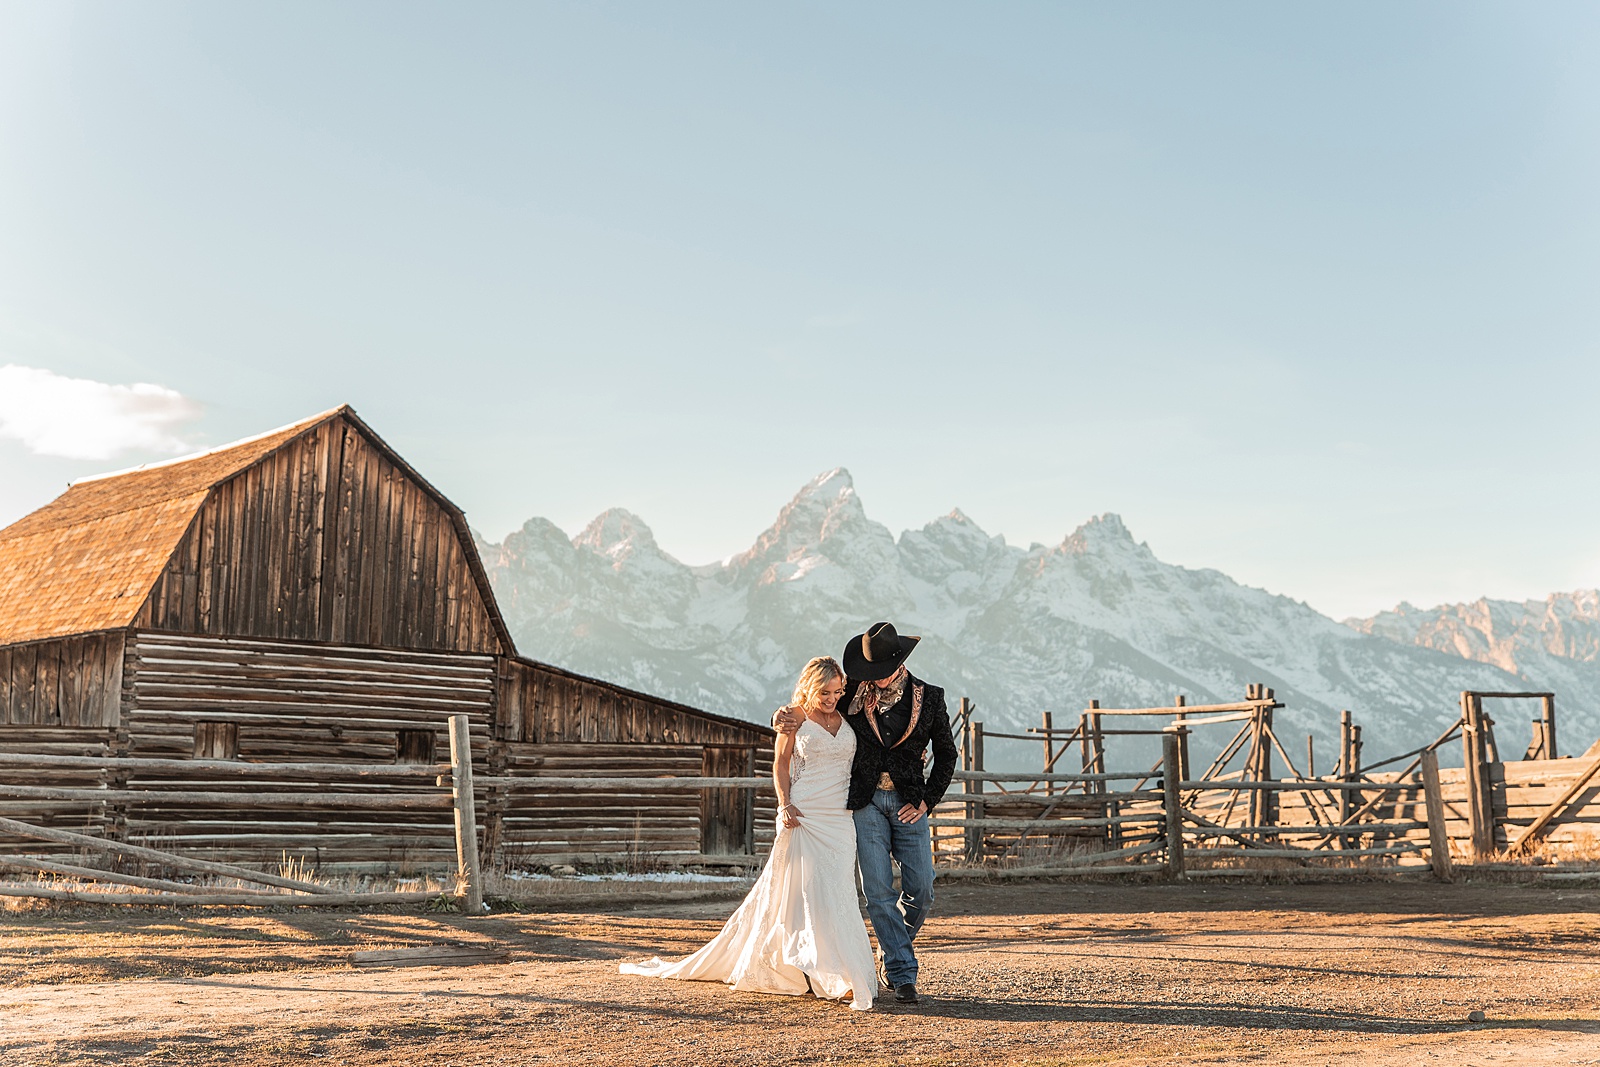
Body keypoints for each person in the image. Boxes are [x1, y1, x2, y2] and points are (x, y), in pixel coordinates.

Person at [620, 657, 877, 1010]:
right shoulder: (795, 719)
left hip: (839, 817)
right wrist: (784, 804)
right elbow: (781, 765)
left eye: (836, 691)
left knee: (841, 893)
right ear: (810, 688)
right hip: (804, 813)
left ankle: (840, 969)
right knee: (810, 894)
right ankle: (831, 977)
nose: (831, 698)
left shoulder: (848, 712)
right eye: (824, 692)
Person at [774, 621, 958, 1005]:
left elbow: (947, 754)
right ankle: (902, 973)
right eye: (868, 673)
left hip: (910, 804)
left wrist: (926, 800)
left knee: (922, 889)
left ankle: (891, 948)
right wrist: (782, 715)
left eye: (880, 672)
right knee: (877, 892)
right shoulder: (850, 693)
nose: (872, 680)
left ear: (899, 663)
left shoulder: (931, 697)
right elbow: (811, 706)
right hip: (866, 802)